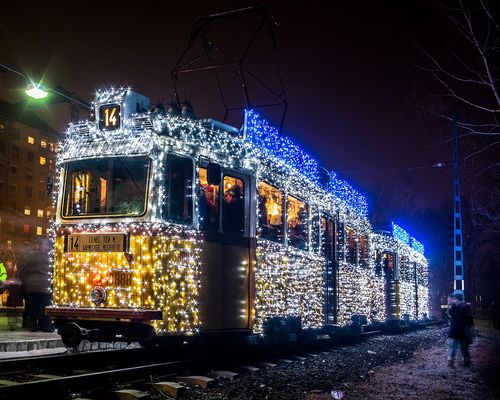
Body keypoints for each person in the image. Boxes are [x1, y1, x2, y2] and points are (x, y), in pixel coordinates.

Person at [18, 237, 54, 332]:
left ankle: (32, 326)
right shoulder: (49, 256)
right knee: (46, 306)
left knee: (33, 306)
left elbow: (23, 269)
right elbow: (52, 270)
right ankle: (46, 326)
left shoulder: (30, 256)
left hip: (32, 285)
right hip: (44, 285)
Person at [447, 291, 474, 367]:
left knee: (462, 348)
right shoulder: (457, 306)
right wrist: (450, 306)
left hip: (460, 331)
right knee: (457, 348)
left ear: (458, 299)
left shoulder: (463, 307)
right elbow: (450, 315)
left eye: (454, 299)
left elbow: (458, 318)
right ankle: (454, 362)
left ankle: (465, 362)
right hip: (457, 331)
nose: (453, 300)